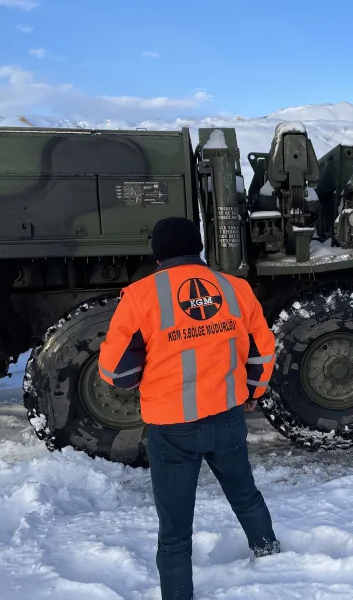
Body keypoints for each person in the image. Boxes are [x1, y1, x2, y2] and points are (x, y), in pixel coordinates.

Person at [98, 216, 280, 600]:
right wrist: (251, 391)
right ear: (197, 247)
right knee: (246, 495)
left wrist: (142, 378)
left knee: (175, 530)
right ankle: (271, 558)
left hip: (172, 429)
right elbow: (262, 349)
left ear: (158, 254)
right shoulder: (235, 288)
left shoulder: (140, 296)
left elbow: (116, 370)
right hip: (227, 417)